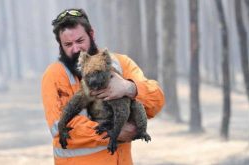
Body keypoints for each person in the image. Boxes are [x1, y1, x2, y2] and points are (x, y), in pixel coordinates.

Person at [41, 8, 165, 165]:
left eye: (80, 41)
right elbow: (57, 127)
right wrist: (113, 132)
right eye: (68, 44)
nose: (75, 49)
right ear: (60, 45)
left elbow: (157, 100)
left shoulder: (120, 63)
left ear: (91, 35)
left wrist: (129, 87)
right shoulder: (53, 75)